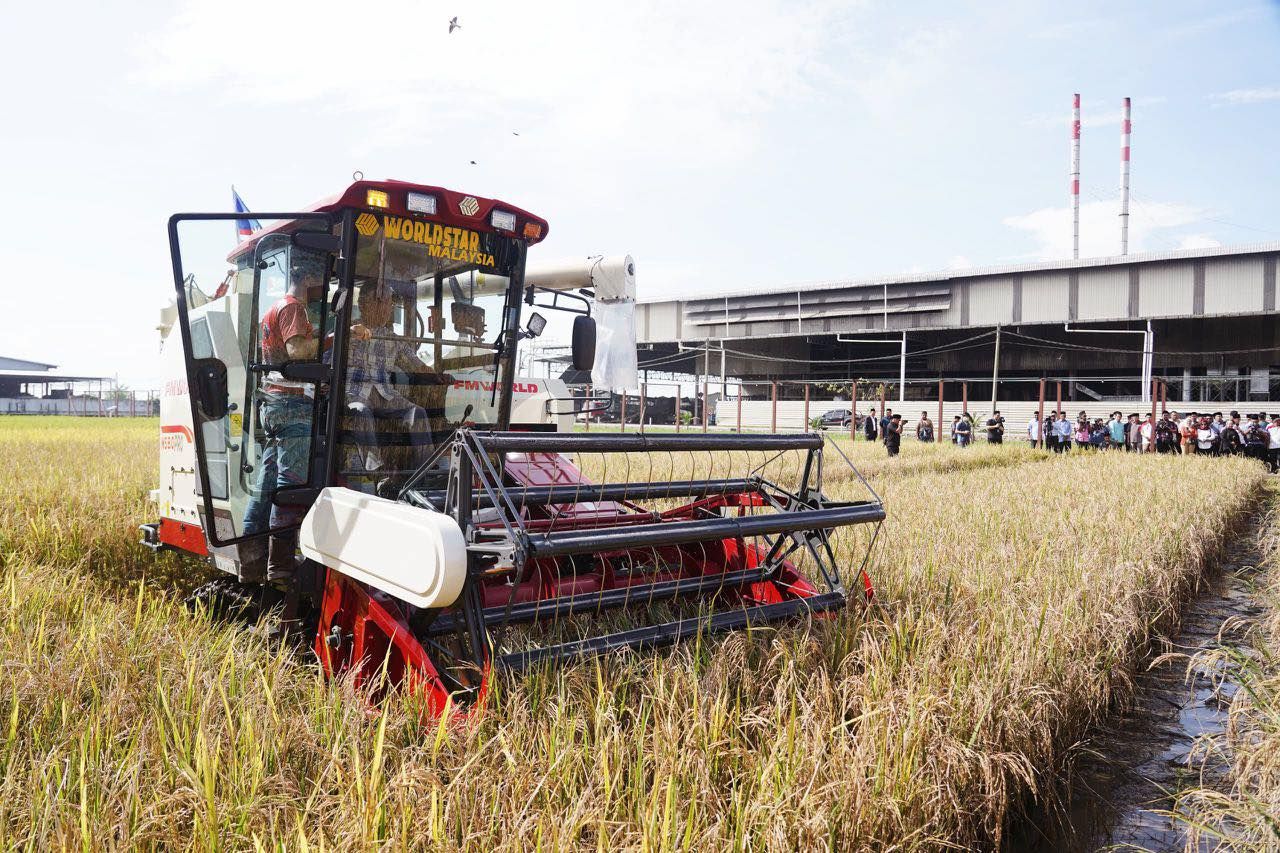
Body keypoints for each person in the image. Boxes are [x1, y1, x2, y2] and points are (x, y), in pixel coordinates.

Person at [242, 251, 324, 582]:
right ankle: (280, 565)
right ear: (308, 278)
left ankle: (251, 559)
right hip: (292, 403)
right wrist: (327, 338)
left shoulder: (276, 307)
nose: (323, 287)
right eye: (322, 279)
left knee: (265, 486)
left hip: (274, 404)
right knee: (290, 483)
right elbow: (298, 352)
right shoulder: (293, 307)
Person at [341, 283, 440, 487]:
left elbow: (417, 364)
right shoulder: (347, 331)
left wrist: (439, 376)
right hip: (355, 392)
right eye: (380, 302)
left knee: (417, 412)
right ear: (363, 304)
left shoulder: (393, 339)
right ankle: (378, 474)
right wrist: (348, 333)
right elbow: (327, 359)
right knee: (360, 412)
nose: (386, 308)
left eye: (388, 304)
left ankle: (426, 473)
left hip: (385, 394)